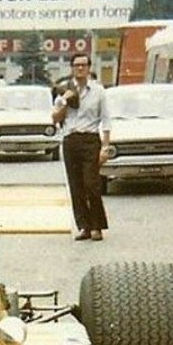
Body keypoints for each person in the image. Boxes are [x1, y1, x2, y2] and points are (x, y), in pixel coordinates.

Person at [52, 53, 111, 242]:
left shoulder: (98, 91)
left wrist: (105, 146)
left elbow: (106, 120)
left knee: (92, 184)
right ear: (71, 68)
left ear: (89, 68)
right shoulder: (65, 90)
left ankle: (97, 226)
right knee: (76, 186)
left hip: (91, 140)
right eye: (76, 65)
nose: (80, 68)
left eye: (83, 65)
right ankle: (84, 227)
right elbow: (55, 118)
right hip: (71, 140)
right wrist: (64, 101)